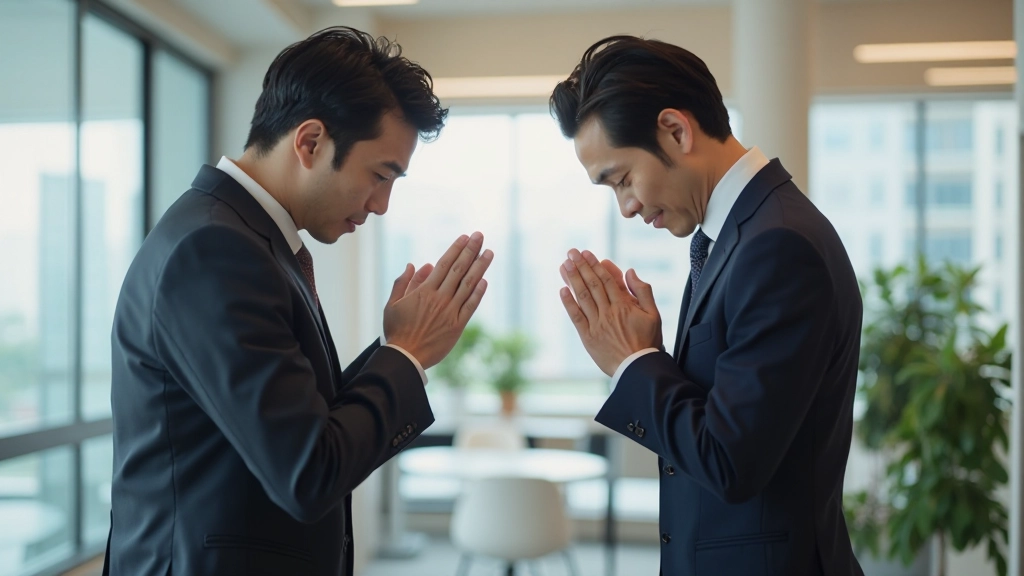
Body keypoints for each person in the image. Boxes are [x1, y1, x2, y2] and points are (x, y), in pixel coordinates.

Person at [104, 27, 493, 576]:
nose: (381, 204)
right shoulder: (215, 251)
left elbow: (310, 428)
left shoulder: (245, 239)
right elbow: (307, 475)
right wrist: (403, 356)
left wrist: (398, 349)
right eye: (380, 175)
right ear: (310, 142)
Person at [551, 35, 865, 576]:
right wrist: (652, 357)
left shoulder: (777, 245)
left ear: (675, 131)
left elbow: (729, 462)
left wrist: (633, 364)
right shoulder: (739, 237)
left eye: (622, 179)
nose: (626, 207)